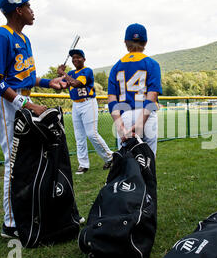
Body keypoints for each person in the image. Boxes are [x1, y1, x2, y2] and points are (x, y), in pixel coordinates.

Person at [0, 0, 68, 238]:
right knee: (14, 161)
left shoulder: (23, 38)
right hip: (5, 102)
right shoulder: (0, 35)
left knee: (27, 160)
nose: (33, 10)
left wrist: (48, 82)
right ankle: (10, 224)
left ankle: (27, 213)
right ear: (18, 10)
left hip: (20, 99)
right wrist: (28, 105)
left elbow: (25, 76)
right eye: (28, 6)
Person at [107, 23, 162, 156]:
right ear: (145, 42)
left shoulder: (116, 66)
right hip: (146, 116)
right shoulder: (152, 64)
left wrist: (120, 127)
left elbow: (112, 99)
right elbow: (152, 96)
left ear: (125, 42)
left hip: (124, 116)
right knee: (148, 163)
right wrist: (140, 124)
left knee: (127, 164)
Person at [57, 49, 113, 174]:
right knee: (79, 137)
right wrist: (58, 75)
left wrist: (63, 73)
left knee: (92, 134)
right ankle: (83, 164)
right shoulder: (71, 72)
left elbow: (76, 83)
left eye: (78, 57)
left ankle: (110, 157)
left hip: (88, 103)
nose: (75, 59)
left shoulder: (87, 71)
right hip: (76, 105)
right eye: (73, 57)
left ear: (84, 59)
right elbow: (61, 86)